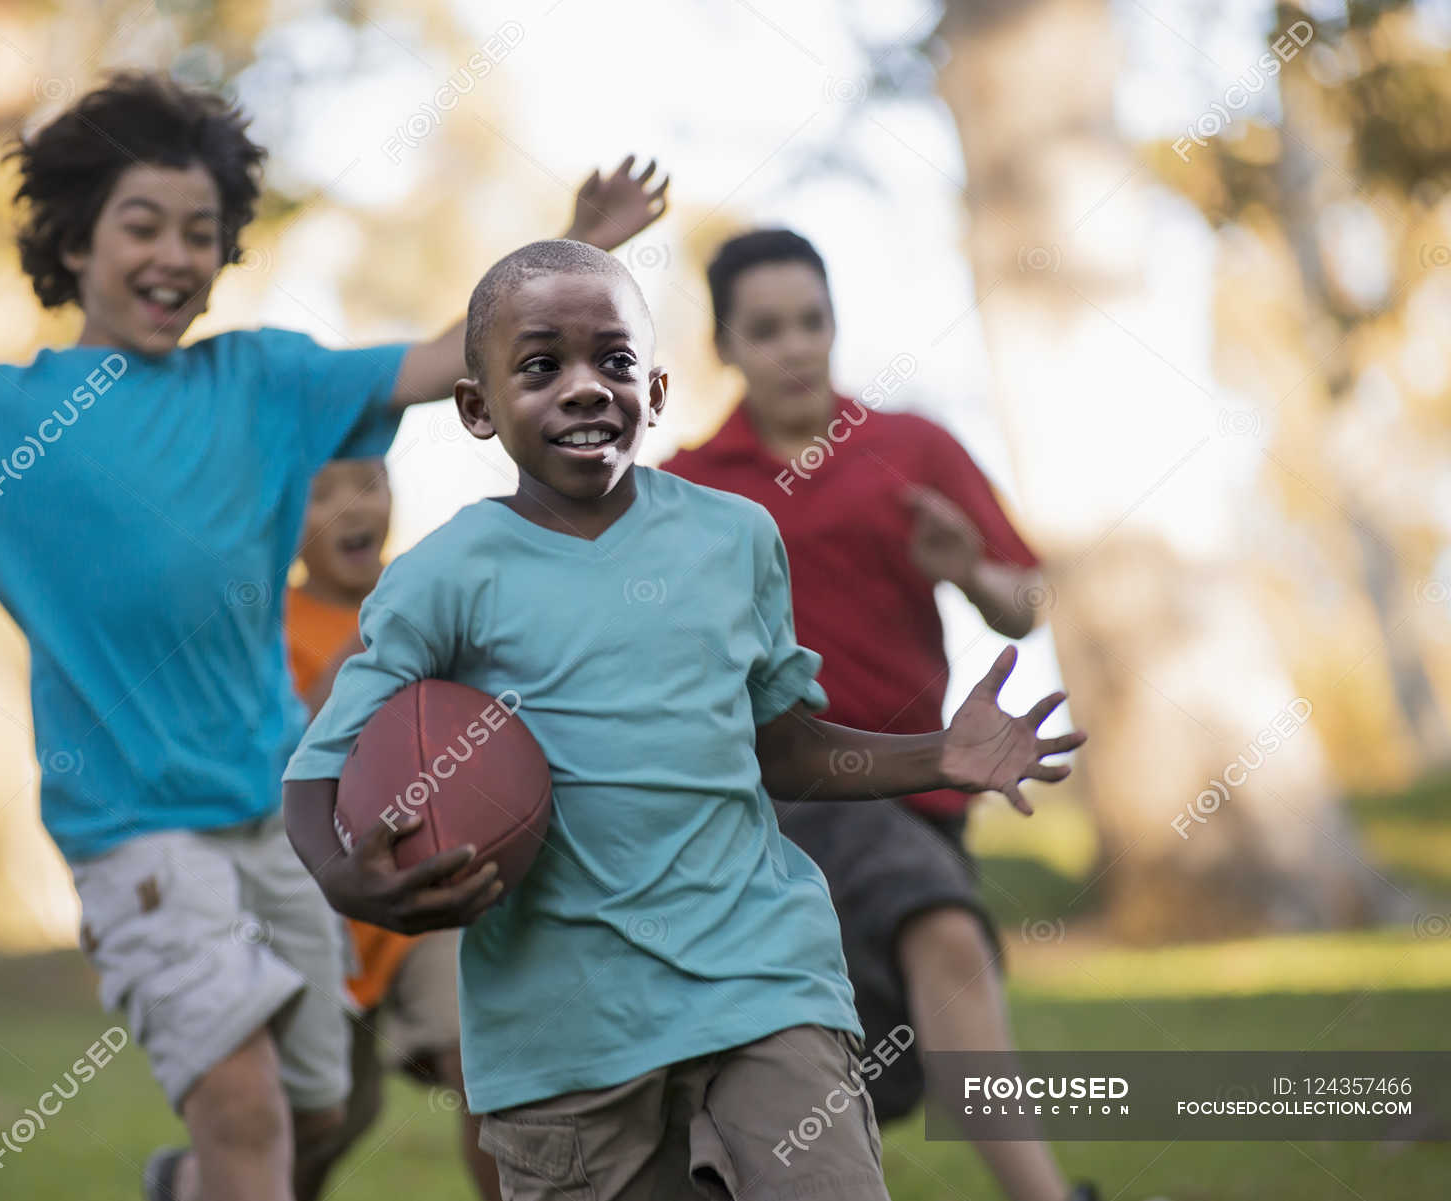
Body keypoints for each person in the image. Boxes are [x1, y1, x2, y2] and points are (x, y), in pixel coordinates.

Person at [0, 72, 668, 1201]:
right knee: (243, 1105)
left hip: (282, 818)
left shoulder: (265, 383)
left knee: (318, 1105)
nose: (175, 254)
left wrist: (576, 246)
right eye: (143, 225)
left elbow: (441, 360)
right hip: (135, 834)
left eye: (202, 231)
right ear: (77, 238)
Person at [283, 238, 1085, 1201]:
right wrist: (347, 879)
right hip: (565, 1029)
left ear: (654, 392)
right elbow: (315, 768)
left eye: (614, 361)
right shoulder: (446, 576)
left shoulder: (735, 536)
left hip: (760, 978)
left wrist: (935, 754)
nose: (585, 387)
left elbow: (783, 746)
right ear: (475, 407)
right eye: (541, 366)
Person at [662, 227, 1097, 1201]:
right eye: (766, 329)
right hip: (775, 794)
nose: (795, 347)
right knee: (940, 932)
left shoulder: (911, 448)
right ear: (726, 347)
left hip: (920, 782)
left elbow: (1023, 602)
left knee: (848, 1028)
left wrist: (967, 570)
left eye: (812, 322)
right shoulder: (685, 487)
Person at [283, 457, 502, 1201]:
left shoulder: (432, 603)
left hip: (429, 884)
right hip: (323, 907)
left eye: (369, 482)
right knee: (332, 1116)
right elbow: (295, 740)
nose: (353, 505)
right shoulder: (273, 626)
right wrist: (382, 627)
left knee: (480, 1062)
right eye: (321, 492)